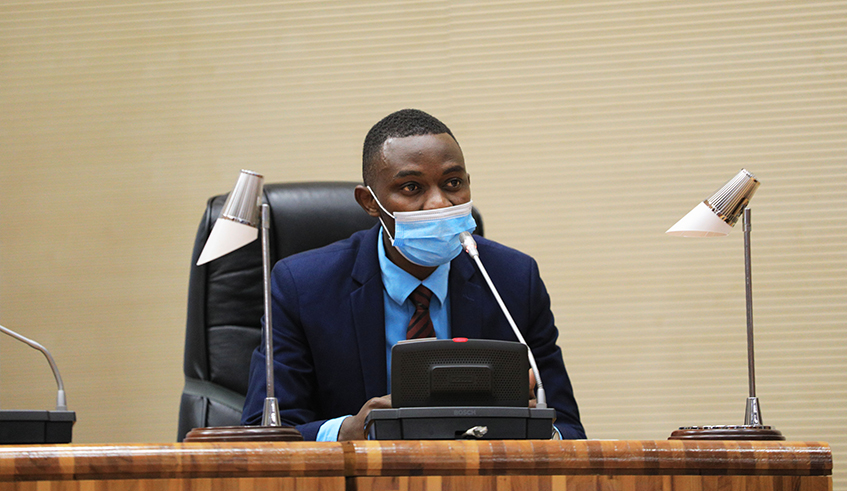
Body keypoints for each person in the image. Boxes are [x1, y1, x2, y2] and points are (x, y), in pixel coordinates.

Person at [241, 109, 585, 440]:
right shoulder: (303, 286)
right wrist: (348, 431)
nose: (439, 203)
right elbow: (264, 431)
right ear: (370, 202)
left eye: (453, 183)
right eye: (411, 188)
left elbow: (567, 429)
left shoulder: (512, 280)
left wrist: (530, 429)